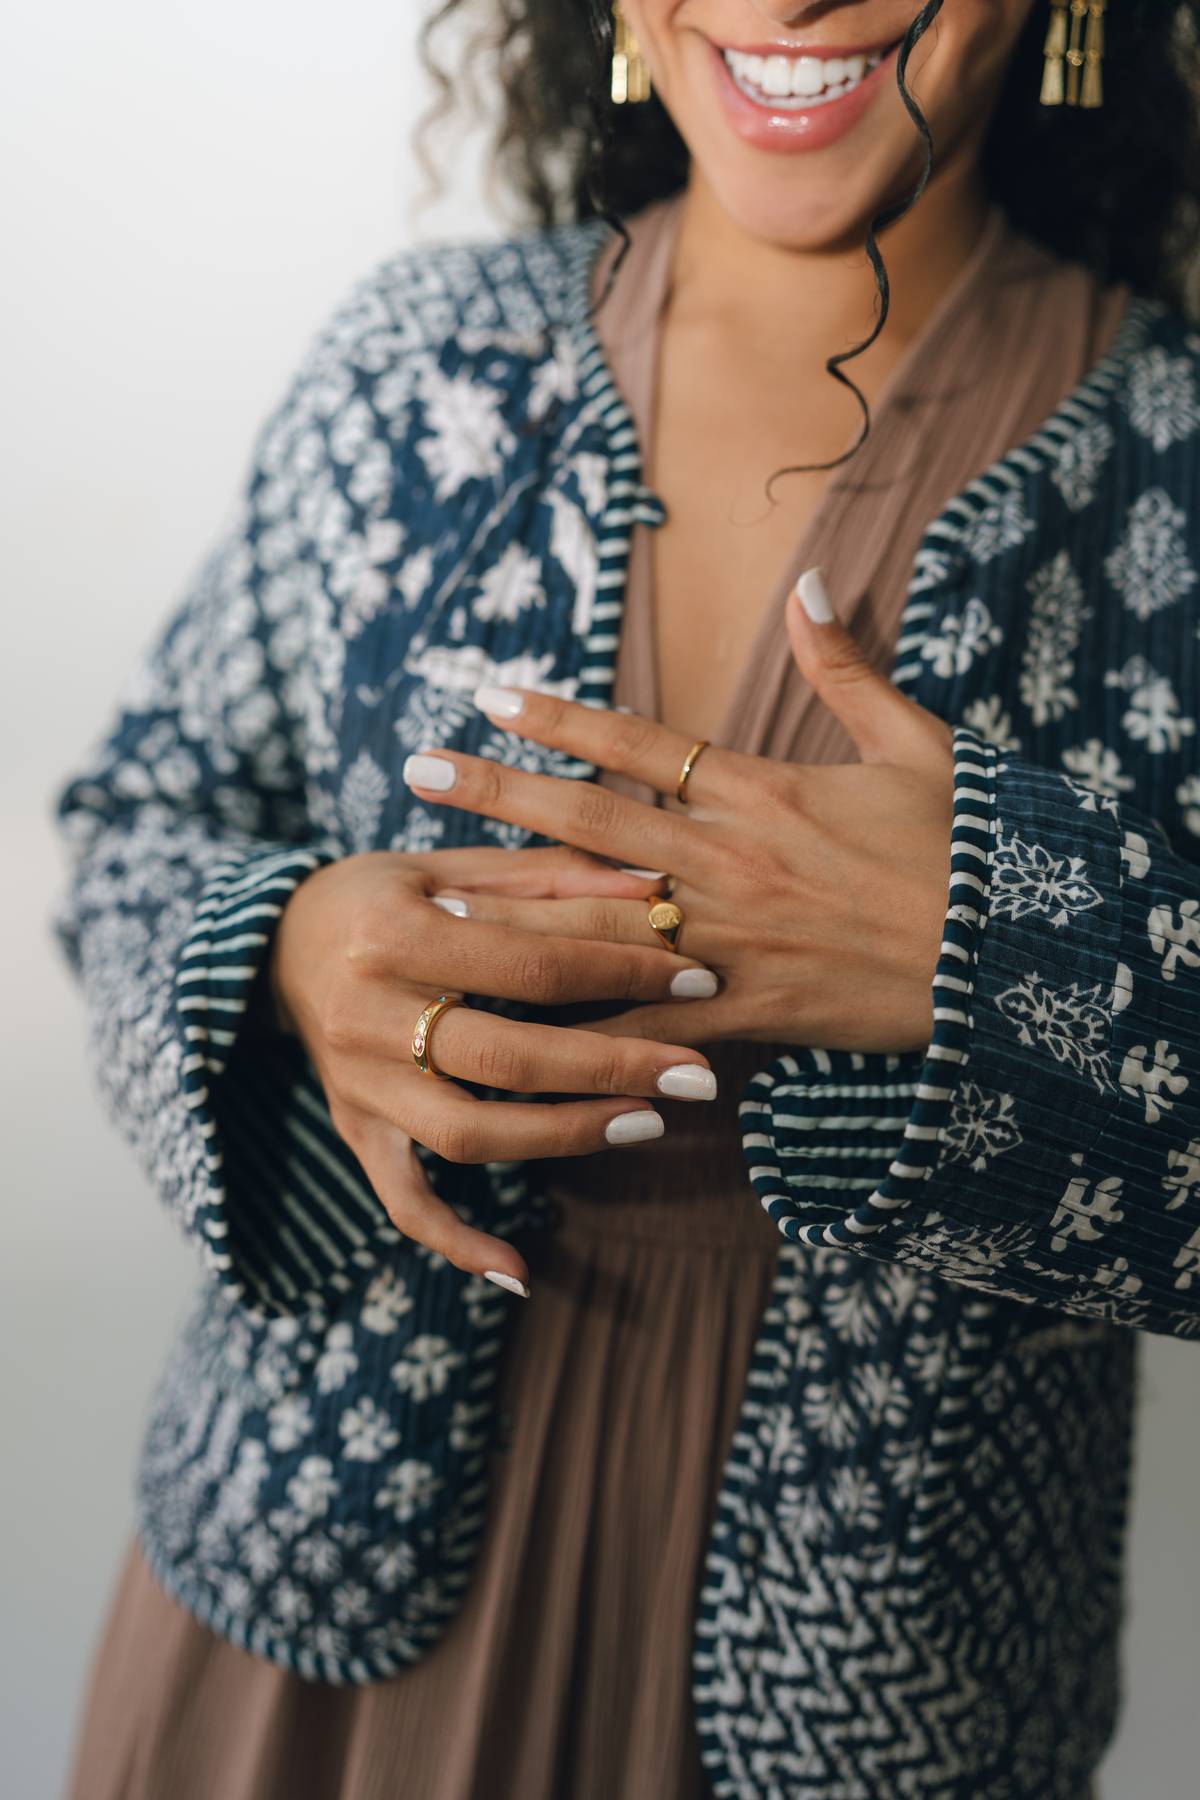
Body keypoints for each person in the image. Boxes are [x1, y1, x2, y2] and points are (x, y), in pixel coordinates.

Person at [52, 0, 1200, 1794]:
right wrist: (279, 953)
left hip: (878, 1688)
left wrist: (1005, 948)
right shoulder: (411, 364)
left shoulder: (1180, 473)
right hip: (299, 1644)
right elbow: (146, 811)